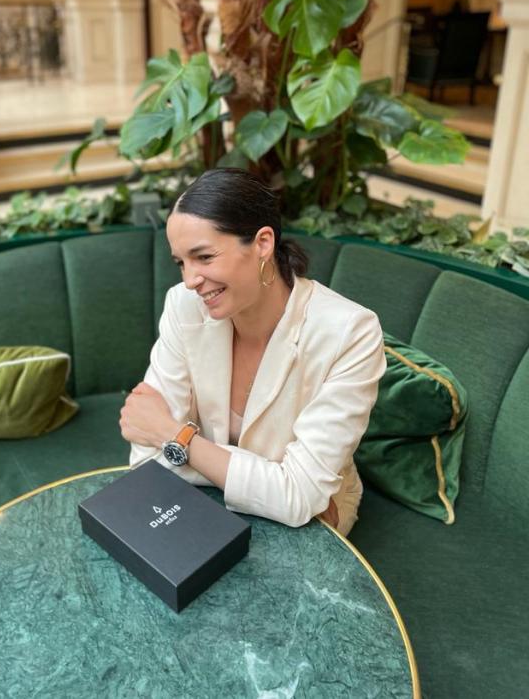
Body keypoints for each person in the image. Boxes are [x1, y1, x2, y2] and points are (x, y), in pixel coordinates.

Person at [120, 169, 386, 535]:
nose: (189, 280)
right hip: (204, 509)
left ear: (262, 243)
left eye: (204, 257)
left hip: (310, 528)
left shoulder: (349, 332)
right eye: (181, 262)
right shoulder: (182, 306)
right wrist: (273, 481)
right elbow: (147, 456)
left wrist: (174, 436)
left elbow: (299, 495)